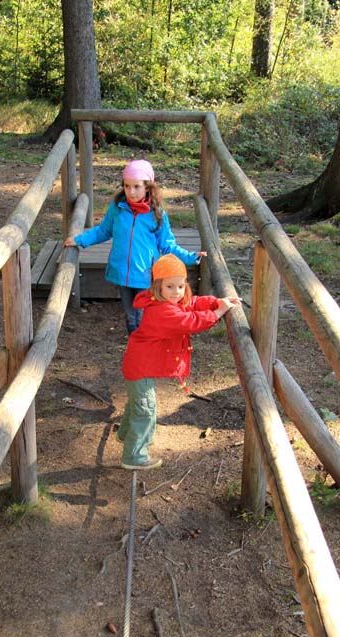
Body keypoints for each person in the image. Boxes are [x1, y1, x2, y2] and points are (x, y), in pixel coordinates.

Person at [116, 254, 241, 470]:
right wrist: (219, 312)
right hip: (141, 367)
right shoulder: (161, 311)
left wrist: (214, 302)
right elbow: (190, 321)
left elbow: (192, 303)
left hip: (142, 364)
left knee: (138, 403)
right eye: (170, 287)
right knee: (146, 408)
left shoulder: (169, 301)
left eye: (180, 286)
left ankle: (127, 434)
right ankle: (134, 456)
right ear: (158, 287)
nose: (176, 292)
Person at [64, 159, 206, 334]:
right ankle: (135, 342)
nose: (131, 192)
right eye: (127, 186)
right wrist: (79, 240)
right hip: (121, 271)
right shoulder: (118, 208)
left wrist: (191, 256)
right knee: (130, 314)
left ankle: (144, 343)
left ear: (147, 187)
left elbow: (167, 245)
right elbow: (103, 231)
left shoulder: (156, 212)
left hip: (145, 274)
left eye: (136, 186)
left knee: (142, 314)